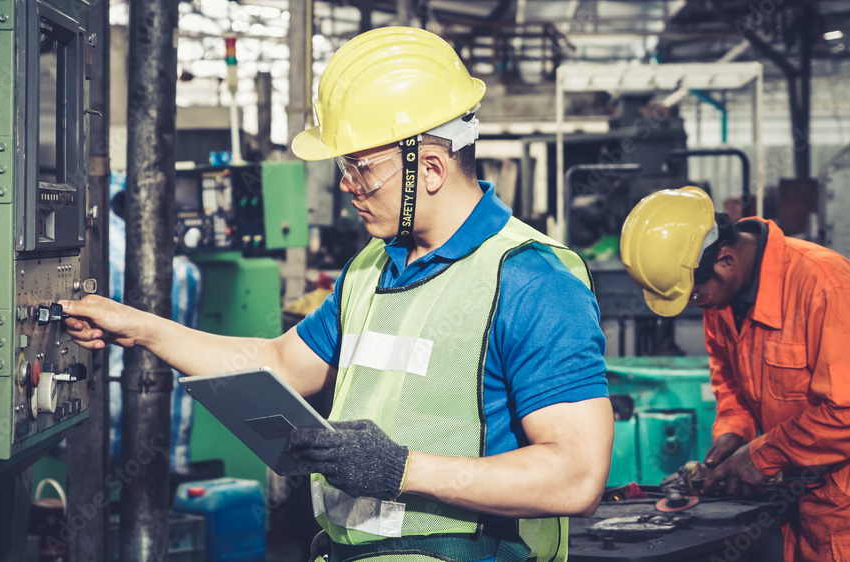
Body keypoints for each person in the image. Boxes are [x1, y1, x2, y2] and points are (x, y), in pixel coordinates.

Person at [63, 26, 612, 562]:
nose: (347, 184)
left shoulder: (531, 281)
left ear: (434, 169)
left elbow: (576, 475)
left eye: (361, 167)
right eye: (343, 165)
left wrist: (400, 469)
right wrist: (141, 328)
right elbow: (277, 363)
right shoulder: (372, 268)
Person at [620, 186, 850, 562]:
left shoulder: (825, 286)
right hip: (796, 500)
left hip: (846, 512)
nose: (697, 305)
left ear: (725, 259)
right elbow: (730, 380)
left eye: (695, 295)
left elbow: (849, 411)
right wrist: (734, 432)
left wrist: (761, 456)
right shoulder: (723, 299)